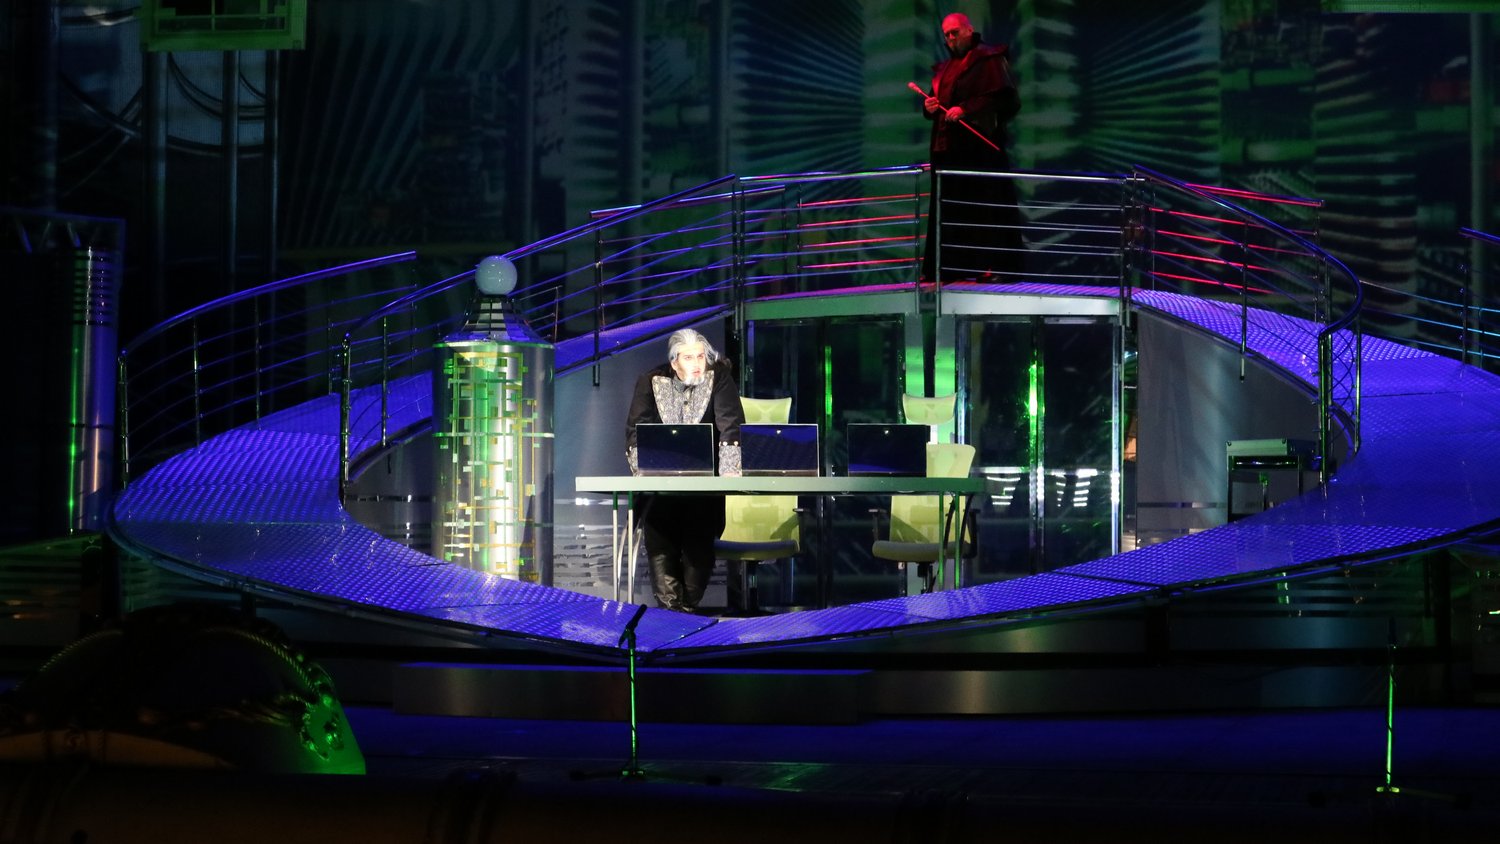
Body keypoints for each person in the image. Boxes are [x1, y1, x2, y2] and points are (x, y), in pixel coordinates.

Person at [625, 328, 744, 612]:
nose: (697, 363)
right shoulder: (650, 381)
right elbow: (635, 432)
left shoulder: (719, 377)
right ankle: (671, 614)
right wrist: (644, 472)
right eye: (688, 358)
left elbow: (731, 426)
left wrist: (729, 473)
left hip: (703, 490)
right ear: (674, 362)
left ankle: (685, 612)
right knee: (660, 546)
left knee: (698, 553)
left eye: (700, 356)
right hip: (659, 489)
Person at [921, 12, 1025, 282]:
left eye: (955, 32)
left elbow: (1006, 99)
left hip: (980, 149)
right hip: (948, 151)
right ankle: (948, 268)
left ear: (969, 30)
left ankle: (996, 267)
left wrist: (966, 109)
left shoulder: (989, 58)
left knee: (986, 206)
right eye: (946, 35)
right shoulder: (945, 68)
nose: (950, 38)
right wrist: (929, 106)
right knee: (949, 209)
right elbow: (937, 101)